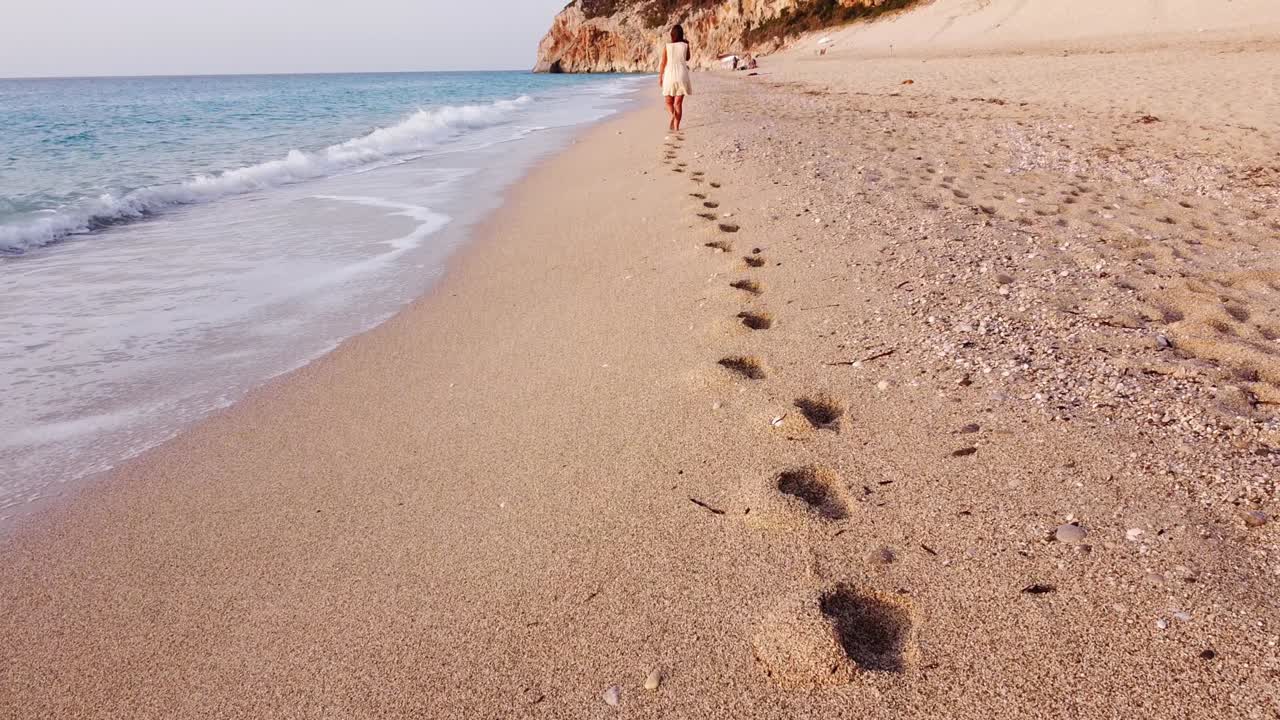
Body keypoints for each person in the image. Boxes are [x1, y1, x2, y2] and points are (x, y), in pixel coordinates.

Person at [659, 24, 692, 132]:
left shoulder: (667, 46)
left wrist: (660, 77)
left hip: (669, 74)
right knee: (678, 103)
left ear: (672, 34)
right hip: (682, 74)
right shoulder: (685, 45)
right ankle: (676, 127)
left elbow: (663, 63)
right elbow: (687, 58)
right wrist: (686, 46)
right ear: (681, 34)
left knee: (668, 102)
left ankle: (672, 114)